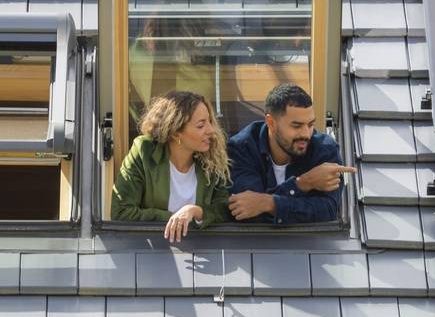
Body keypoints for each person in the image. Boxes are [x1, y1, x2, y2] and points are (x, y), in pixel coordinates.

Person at [111, 90, 231, 242]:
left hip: (202, 250)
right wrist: (174, 218)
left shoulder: (212, 158)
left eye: (210, 122)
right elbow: (121, 212)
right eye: (201, 125)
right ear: (175, 133)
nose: (211, 130)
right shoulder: (143, 152)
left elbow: (224, 210)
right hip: (150, 250)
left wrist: (196, 212)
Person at [227, 83, 356, 224]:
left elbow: (327, 212)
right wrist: (303, 183)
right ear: (271, 123)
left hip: (311, 245)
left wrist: (268, 203)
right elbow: (248, 214)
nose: (306, 134)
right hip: (253, 245)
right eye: (297, 126)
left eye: (310, 124)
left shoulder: (325, 150)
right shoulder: (242, 148)